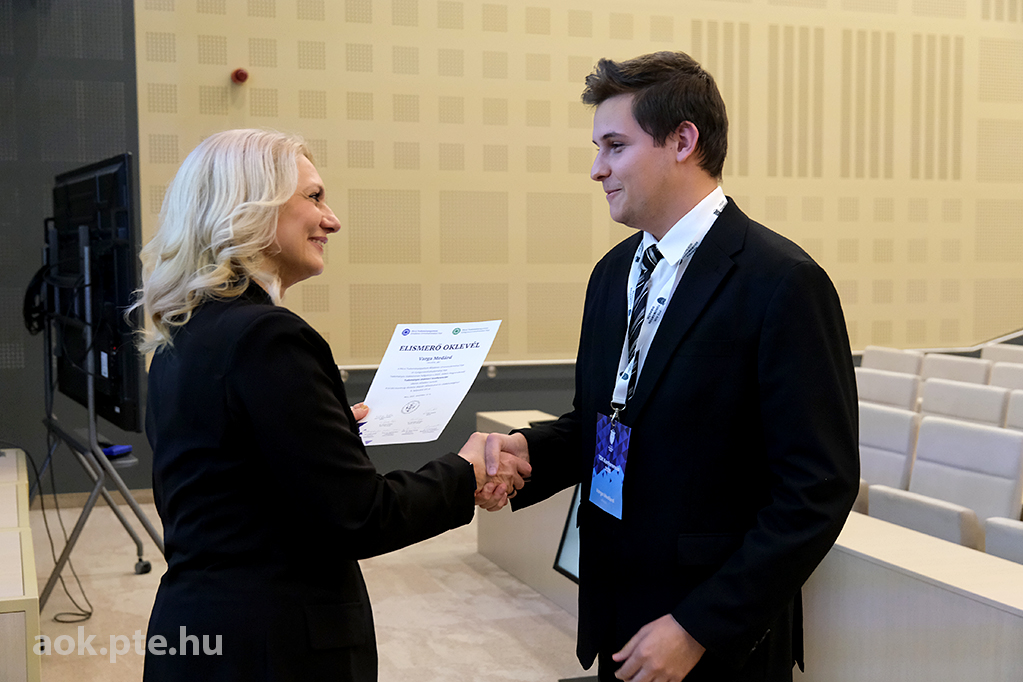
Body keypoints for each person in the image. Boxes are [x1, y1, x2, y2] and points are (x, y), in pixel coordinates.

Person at [481, 52, 859, 681]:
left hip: (714, 638)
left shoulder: (783, 282)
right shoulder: (612, 274)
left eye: (615, 146)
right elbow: (606, 422)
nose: (597, 169)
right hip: (617, 605)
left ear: (684, 141)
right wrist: (528, 451)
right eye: (598, 148)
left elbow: (817, 490)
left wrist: (698, 627)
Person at [133, 128, 530, 682]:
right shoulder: (269, 337)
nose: (333, 220)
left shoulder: (185, 333)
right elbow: (361, 518)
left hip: (198, 629)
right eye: (314, 197)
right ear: (251, 208)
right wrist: (466, 471)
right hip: (273, 645)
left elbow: (229, 470)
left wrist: (323, 432)